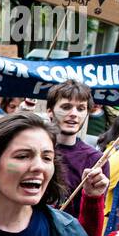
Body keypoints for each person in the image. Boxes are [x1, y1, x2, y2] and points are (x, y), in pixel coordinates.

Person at [46, 80, 103, 210]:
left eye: (81, 109)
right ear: (50, 111)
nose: (74, 114)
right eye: (66, 107)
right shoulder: (34, 148)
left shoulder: (95, 160)